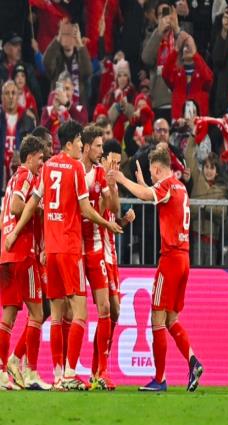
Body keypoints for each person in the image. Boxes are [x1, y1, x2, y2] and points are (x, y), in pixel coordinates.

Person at [4, 120, 122, 390]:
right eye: (80, 141)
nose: (81, 145)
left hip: (51, 250)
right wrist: (107, 223)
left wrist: (15, 233)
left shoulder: (47, 167)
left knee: (56, 315)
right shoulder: (76, 167)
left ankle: (58, 375)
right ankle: (69, 373)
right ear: (70, 143)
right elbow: (85, 209)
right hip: (70, 248)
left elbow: (33, 202)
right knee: (80, 313)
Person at [110, 149, 203, 392]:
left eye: (152, 173)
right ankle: (193, 361)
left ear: (159, 169)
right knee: (172, 319)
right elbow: (151, 195)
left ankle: (160, 379)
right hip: (184, 259)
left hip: (170, 259)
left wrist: (122, 179)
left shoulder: (167, 185)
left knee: (156, 319)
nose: (152, 177)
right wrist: (143, 184)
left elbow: (148, 194)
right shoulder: (180, 187)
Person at [0, 135, 51, 391]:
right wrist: (38, 209)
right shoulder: (27, 175)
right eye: (40, 159)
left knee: (8, 317)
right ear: (29, 157)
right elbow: (17, 207)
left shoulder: (11, 180)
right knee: (38, 314)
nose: (42, 164)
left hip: (7, 252)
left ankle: (2, 373)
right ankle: (30, 372)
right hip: (23, 252)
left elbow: (4, 214)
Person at [79, 125, 120, 390]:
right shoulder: (73, 171)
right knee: (65, 312)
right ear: (86, 147)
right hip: (73, 247)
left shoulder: (100, 174)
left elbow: (112, 208)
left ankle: (100, 371)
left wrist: (112, 187)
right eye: (98, 146)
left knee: (107, 309)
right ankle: (64, 371)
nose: (101, 151)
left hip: (96, 247)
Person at [92, 139, 135, 384]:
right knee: (108, 309)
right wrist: (108, 186)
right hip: (97, 251)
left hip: (112, 254)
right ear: (104, 159)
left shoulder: (112, 182)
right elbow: (98, 213)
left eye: (119, 163)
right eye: (113, 162)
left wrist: (124, 221)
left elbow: (113, 217)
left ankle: (97, 369)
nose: (116, 167)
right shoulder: (98, 179)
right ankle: (101, 370)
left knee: (114, 313)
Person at [0, 80, 35, 193]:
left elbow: (33, 151)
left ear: (18, 96)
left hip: (19, 177)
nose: (10, 96)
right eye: (7, 93)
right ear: (1, 96)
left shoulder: (28, 121)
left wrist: (22, 159)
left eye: (13, 93)